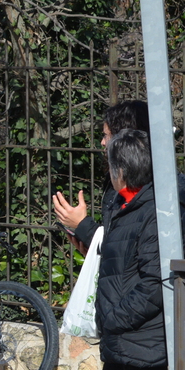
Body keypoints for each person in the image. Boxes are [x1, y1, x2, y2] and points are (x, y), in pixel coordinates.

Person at [92, 129, 176, 370]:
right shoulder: (123, 204)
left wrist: (115, 317)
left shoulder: (154, 213)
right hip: (125, 337)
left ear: (122, 170)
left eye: (111, 165)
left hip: (143, 336)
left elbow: (155, 284)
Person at [53, 100, 151, 255]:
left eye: (106, 135)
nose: (103, 142)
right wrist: (95, 252)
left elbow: (126, 248)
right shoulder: (119, 181)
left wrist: (82, 225)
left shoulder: (145, 189)